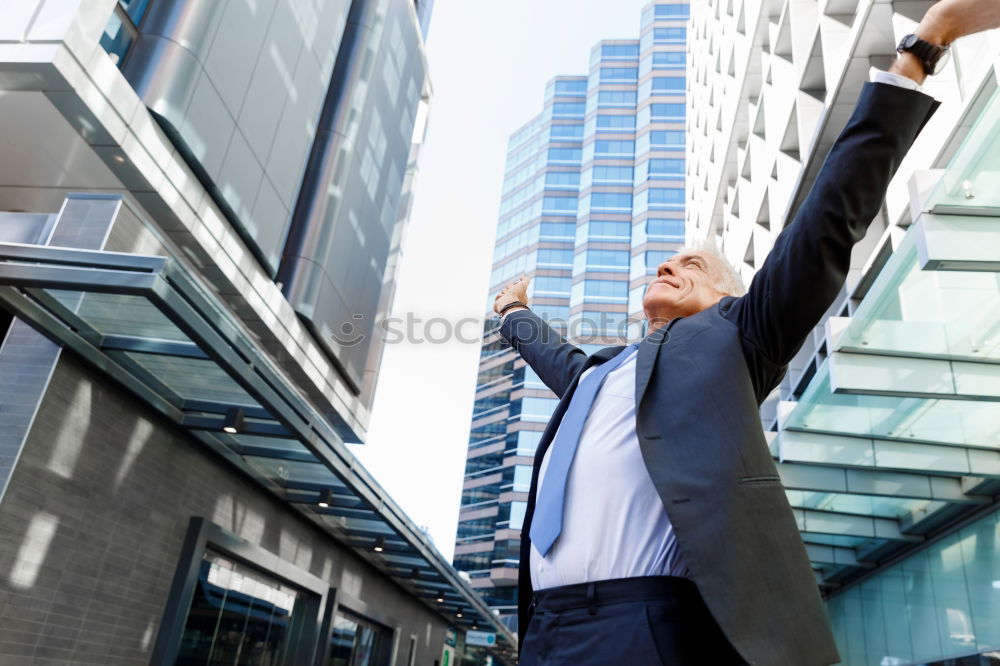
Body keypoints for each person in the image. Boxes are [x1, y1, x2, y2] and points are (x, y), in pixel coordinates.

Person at [491, 1, 1000, 664]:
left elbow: (827, 219)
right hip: (546, 631)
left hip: (647, 626)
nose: (670, 262)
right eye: (667, 261)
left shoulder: (738, 336)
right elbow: (555, 356)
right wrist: (513, 315)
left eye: (693, 265)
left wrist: (926, 45)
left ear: (731, 298)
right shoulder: (597, 377)